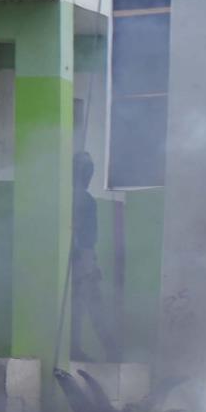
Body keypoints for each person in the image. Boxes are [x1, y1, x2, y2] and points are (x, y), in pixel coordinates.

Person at [69, 151, 119, 363]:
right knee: (90, 306)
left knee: (80, 307)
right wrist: (87, 263)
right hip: (83, 258)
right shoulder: (84, 200)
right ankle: (111, 350)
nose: (89, 176)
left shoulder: (76, 198)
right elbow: (86, 236)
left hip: (81, 257)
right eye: (87, 172)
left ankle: (79, 348)